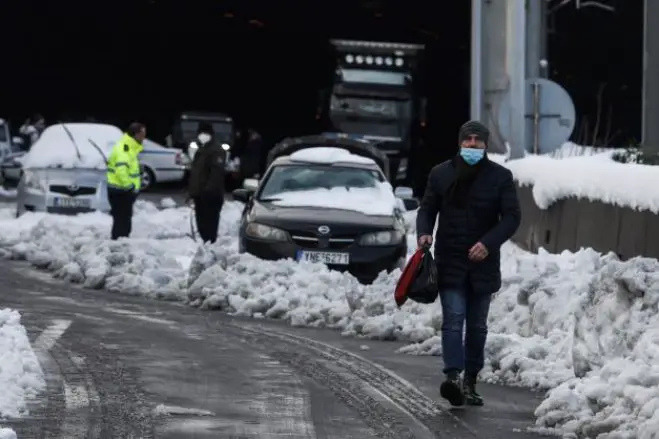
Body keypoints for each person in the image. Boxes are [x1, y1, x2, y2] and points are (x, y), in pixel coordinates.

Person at [416, 120, 521, 407]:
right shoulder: (441, 174)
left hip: (483, 264)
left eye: (478, 140)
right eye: (468, 139)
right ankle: (452, 378)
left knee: (476, 326)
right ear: (460, 142)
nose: (472, 144)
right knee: (453, 320)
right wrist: (424, 232)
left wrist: (487, 244)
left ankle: (470, 381)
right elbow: (427, 208)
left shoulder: (500, 177)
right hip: (450, 259)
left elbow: (511, 217)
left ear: (486, 144)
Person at [106, 122, 146, 240]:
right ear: (136, 134)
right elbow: (121, 170)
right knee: (122, 220)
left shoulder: (129, 147)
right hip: (121, 191)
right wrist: (129, 187)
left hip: (122, 190)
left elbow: (127, 167)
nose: (144, 136)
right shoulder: (125, 147)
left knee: (123, 219)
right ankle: (119, 243)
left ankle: (120, 241)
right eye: (143, 133)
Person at [187, 122, 226, 243]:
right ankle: (205, 246)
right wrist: (192, 193)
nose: (201, 136)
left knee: (210, 226)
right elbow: (196, 173)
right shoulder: (201, 150)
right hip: (200, 195)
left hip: (211, 196)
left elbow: (216, 173)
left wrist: (208, 191)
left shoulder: (216, 150)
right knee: (202, 226)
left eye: (204, 133)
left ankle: (210, 248)